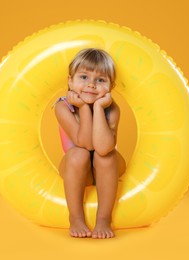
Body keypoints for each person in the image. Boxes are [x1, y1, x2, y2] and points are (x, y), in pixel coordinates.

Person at [54, 48, 126, 239]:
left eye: (100, 80)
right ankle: (75, 217)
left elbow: (102, 147)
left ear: (111, 86)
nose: (91, 85)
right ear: (70, 81)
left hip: (106, 170)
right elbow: (84, 143)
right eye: (84, 77)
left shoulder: (112, 109)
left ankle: (103, 219)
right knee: (79, 153)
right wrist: (84, 107)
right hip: (79, 170)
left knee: (106, 156)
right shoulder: (63, 107)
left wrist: (99, 108)